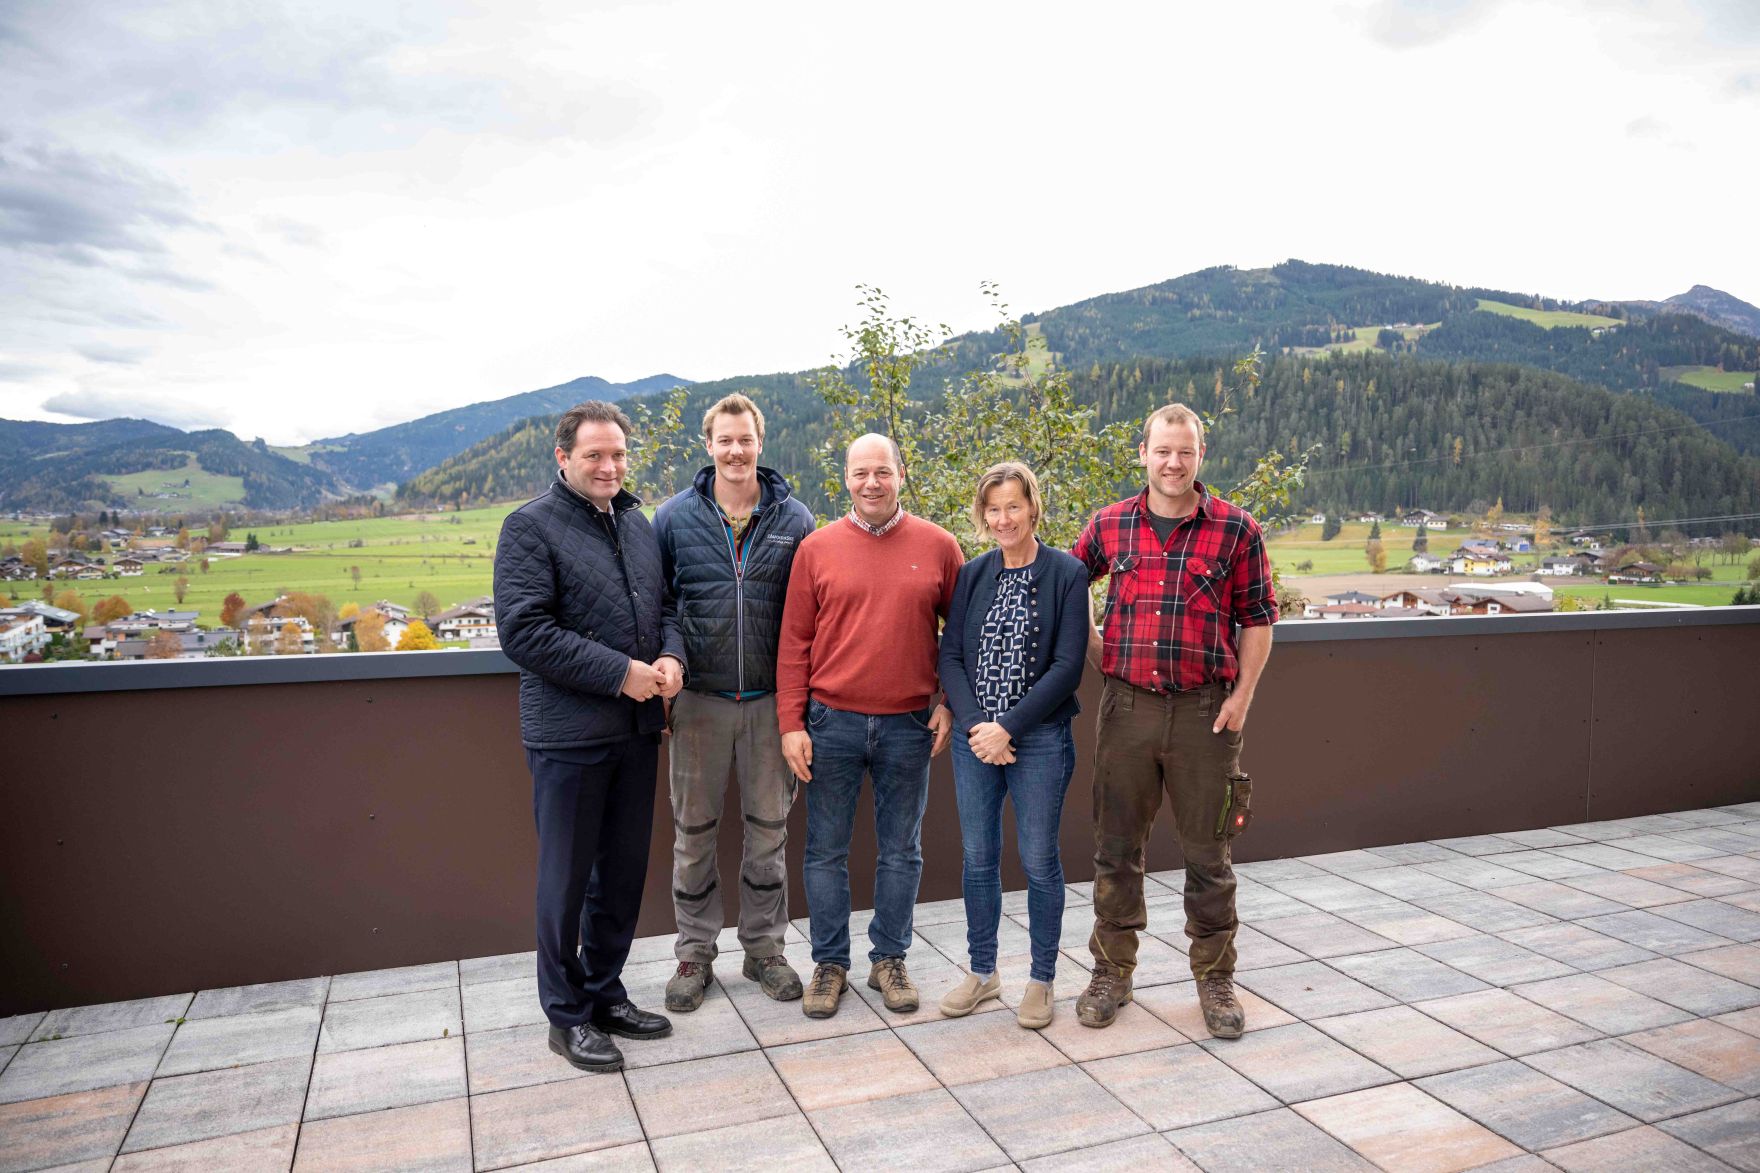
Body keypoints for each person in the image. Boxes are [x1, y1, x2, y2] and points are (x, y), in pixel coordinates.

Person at [1071, 403, 1276, 1038]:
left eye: (1184, 452)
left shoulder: (1237, 530)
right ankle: (1112, 973)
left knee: (1208, 855)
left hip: (1206, 714)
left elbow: (1259, 620)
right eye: (1162, 451)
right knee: (1115, 849)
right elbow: (1065, 580)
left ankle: (1215, 981)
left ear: (1200, 457)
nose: (1172, 463)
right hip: (1126, 710)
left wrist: (1241, 698)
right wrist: (1092, 640)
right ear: (1143, 453)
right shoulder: (1109, 526)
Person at [493, 400, 686, 1073]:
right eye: (594, 455)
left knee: (623, 877)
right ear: (563, 457)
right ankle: (565, 1015)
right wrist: (620, 673)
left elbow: (665, 608)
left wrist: (671, 658)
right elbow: (523, 631)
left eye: (617, 454)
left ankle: (604, 991)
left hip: (637, 731)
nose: (609, 466)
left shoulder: (636, 522)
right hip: (569, 738)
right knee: (566, 882)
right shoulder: (528, 527)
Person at [776, 433, 964, 1018]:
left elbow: (959, 639)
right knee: (824, 851)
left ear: (901, 474)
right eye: (860, 473)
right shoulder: (817, 548)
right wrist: (791, 722)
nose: (871, 483)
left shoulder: (938, 546)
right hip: (830, 722)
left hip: (909, 724)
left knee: (901, 851)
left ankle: (890, 959)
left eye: (882, 471)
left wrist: (950, 703)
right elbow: (794, 643)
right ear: (846, 479)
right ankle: (829, 964)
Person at [651, 393, 816, 1011]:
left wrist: (802, 705)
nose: (735, 450)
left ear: (760, 442)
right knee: (693, 835)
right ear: (709, 445)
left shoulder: (795, 520)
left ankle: (764, 950)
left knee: (768, 834)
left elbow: (810, 618)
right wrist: (670, 670)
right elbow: (658, 606)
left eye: (744, 438)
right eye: (724, 439)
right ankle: (694, 953)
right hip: (698, 701)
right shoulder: (673, 519)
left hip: (774, 703)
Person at [935, 462, 1089, 1029]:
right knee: (978, 860)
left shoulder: (1067, 574)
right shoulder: (973, 575)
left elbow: (1068, 667)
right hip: (976, 741)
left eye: (1013, 507)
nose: (1003, 519)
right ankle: (983, 972)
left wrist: (1010, 729)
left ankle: (1042, 980)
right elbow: (950, 656)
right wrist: (979, 726)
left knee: (1039, 861)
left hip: (1040, 741)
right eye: (993, 509)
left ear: (1033, 509)